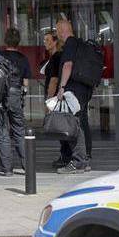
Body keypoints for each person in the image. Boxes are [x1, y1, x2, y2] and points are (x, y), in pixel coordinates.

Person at [0, 28, 31, 176]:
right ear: (18, 42)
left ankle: (7, 169)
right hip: (15, 96)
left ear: (5, 40)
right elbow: (26, 83)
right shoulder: (23, 58)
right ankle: (26, 166)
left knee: (1, 132)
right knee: (19, 131)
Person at [55, 20, 93, 174]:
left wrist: (62, 87)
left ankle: (78, 162)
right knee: (81, 123)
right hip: (83, 90)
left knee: (73, 124)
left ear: (62, 30)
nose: (57, 34)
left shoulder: (70, 43)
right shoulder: (80, 44)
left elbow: (67, 65)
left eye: (57, 31)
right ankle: (84, 159)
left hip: (73, 91)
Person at [41, 31, 69, 168]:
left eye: (47, 40)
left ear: (55, 42)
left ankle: (66, 156)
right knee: (60, 127)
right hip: (57, 96)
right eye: (44, 40)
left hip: (55, 97)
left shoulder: (56, 57)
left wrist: (49, 100)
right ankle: (65, 155)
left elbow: (53, 80)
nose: (45, 42)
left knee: (60, 127)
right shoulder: (54, 57)